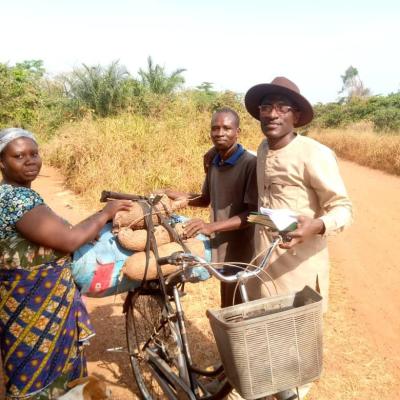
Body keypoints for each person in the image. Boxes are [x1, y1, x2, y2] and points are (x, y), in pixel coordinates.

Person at [0, 128, 132, 399]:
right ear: (2, 162)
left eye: (34, 154)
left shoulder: (19, 195)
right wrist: (106, 212)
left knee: (45, 369)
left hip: (35, 300)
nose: (30, 160)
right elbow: (69, 240)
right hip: (33, 304)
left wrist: (93, 224)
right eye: (19, 156)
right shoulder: (16, 199)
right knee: (37, 372)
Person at [244, 77, 352, 400]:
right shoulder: (262, 149)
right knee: (268, 342)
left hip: (300, 272)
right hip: (265, 266)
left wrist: (315, 226)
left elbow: (344, 209)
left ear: (296, 116)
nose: (272, 114)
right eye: (266, 106)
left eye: (281, 107)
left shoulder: (314, 154)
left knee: (295, 360)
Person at [163, 107, 258, 308]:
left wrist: (210, 227)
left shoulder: (250, 164)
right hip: (221, 248)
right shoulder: (214, 161)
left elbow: (253, 214)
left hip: (242, 251)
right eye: (215, 128)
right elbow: (206, 198)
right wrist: (176, 195)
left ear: (238, 132)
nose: (220, 133)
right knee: (228, 304)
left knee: (240, 308)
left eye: (227, 128)